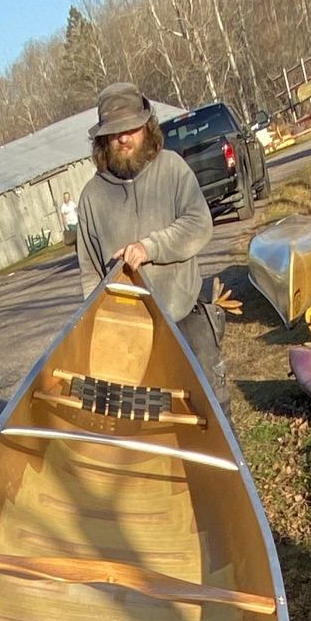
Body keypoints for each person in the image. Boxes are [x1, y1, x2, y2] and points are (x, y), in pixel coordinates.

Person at [74, 81, 225, 399]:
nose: (123, 138)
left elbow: (199, 224)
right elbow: (91, 273)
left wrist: (149, 248)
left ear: (147, 127)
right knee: (152, 417)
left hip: (185, 315)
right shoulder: (91, 198)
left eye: (131, 128)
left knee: (210, 408)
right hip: (132, 336)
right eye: (114, 132)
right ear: (102, 139)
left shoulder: (172, 168)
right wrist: (100, 330)